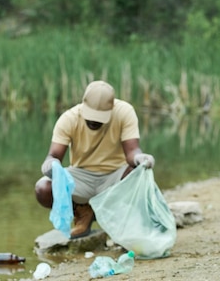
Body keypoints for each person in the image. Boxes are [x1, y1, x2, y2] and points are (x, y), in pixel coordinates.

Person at [35, 80, 155, 238]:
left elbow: (132, 151)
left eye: (99, 118)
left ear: (112, 108)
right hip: (81, 177)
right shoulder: (69, 118)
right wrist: (50, 165)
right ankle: (83, 211)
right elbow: (53, 156)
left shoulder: (125, 112)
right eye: (90, 116)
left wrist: (141, 158)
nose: (93, 121)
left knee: (137, 174)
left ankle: (122, 222)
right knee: (43, 188)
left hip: (115, 177)